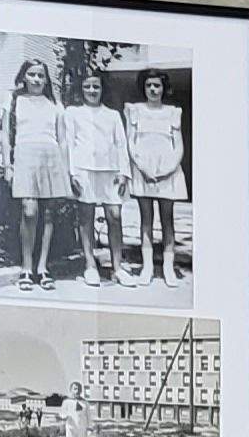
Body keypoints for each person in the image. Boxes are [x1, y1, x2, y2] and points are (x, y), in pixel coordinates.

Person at [4, 59, 73, 289]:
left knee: (49, 214)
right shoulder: (14, 99)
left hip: (50, 156)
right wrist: (7, 166)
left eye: (41, 75)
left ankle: (42, 268)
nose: (36, 79)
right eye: (32, 74)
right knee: (29, 210)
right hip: (24, 155)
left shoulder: (54, 103)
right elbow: (5, 135)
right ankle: (26, 267)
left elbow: (62, 140)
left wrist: (65, 169)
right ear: (24, 76)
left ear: (46, 79)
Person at [64, 71, 132, 284]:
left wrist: (124, 173)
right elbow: (69, 143)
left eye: (96, 86)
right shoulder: (73, 113)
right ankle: (90, 265)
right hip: (83, 170)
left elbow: (121, 144)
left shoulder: (112, 115)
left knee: (115, 216)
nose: (92, 91)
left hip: (111, 171)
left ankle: (117, 267)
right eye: (87, 86)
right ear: (80, 89)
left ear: (103, 89)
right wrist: (72, 173)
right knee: (86, 217)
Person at [124, 72, 189, 283]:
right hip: (143, 170)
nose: (153, 89)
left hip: (167, 171)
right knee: (146, 220)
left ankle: (168, 267)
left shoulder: (172, 112)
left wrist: (167, 170)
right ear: (143, 87)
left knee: (167, 220)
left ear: (163, 88)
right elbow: (131, 143)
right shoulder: (134, 110)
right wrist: (143, 168)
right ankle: (148, 267)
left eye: (157, 85)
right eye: (149, 85)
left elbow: (178, 146)